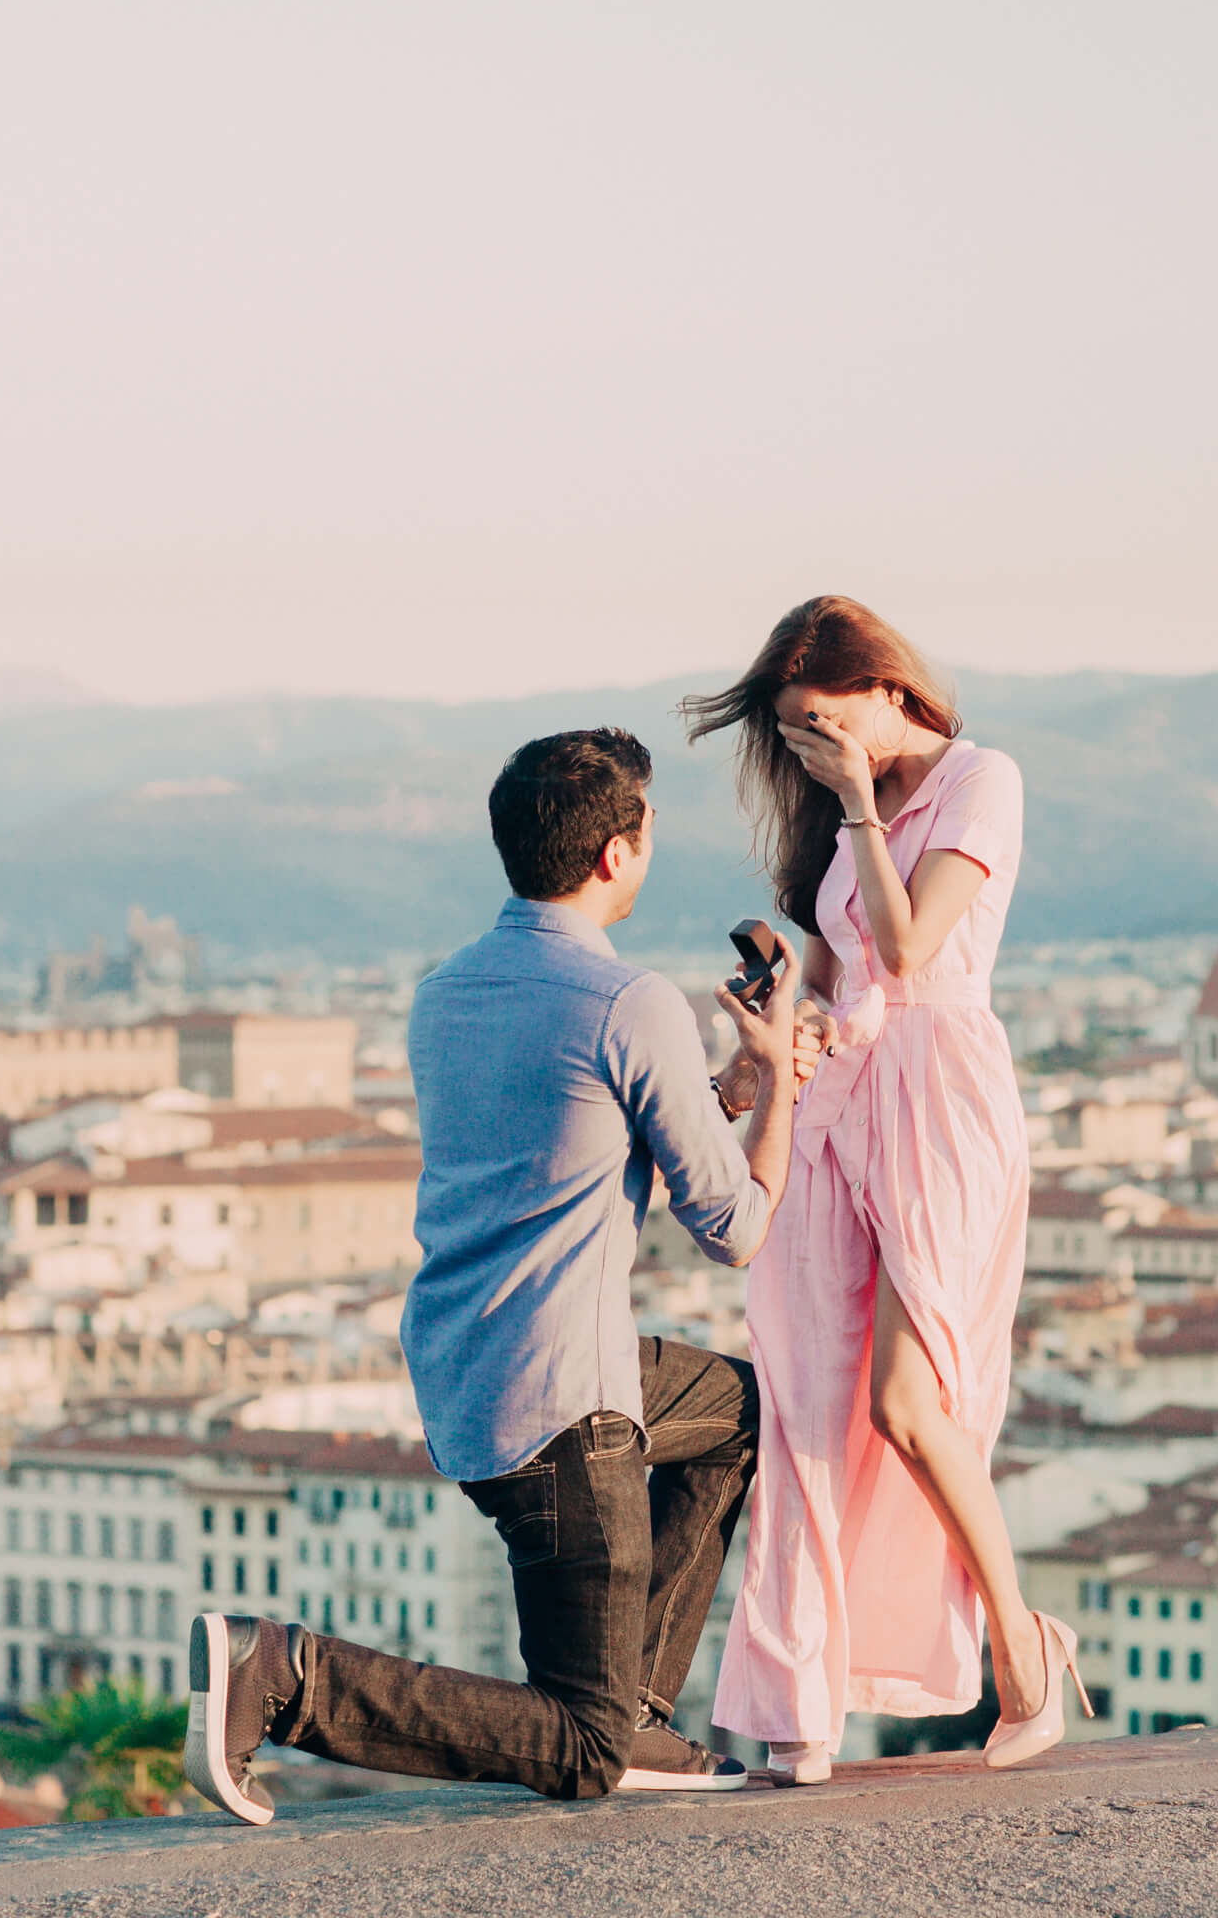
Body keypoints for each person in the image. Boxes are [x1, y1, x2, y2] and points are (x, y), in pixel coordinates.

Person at [184, 726, 817, 1818]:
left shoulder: (447, 994)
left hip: (471, 1366)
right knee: (579, 1748)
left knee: (746, 1410)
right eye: (649, 830)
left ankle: (638, 1712)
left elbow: (575, 1142)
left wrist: (726, 1092)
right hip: (568, 1399)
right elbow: (736, 1227)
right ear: (616, 852)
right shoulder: (630, 1002)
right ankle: (283, 1675)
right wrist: (780, 1085)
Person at [691, 597, 1088, 1785]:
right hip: (839, 1101)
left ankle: (1021, 1646)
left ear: (887, 689)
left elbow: (912, 951)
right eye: (794, 731)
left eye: (823, 719)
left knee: (909, 1402)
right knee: (805, 1395)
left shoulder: (981, 780)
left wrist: (862, 805)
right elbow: (835, 977)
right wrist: (775, 1034)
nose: (812, 746)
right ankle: (797, 1709)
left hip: (942, 1099)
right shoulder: (831, 810)